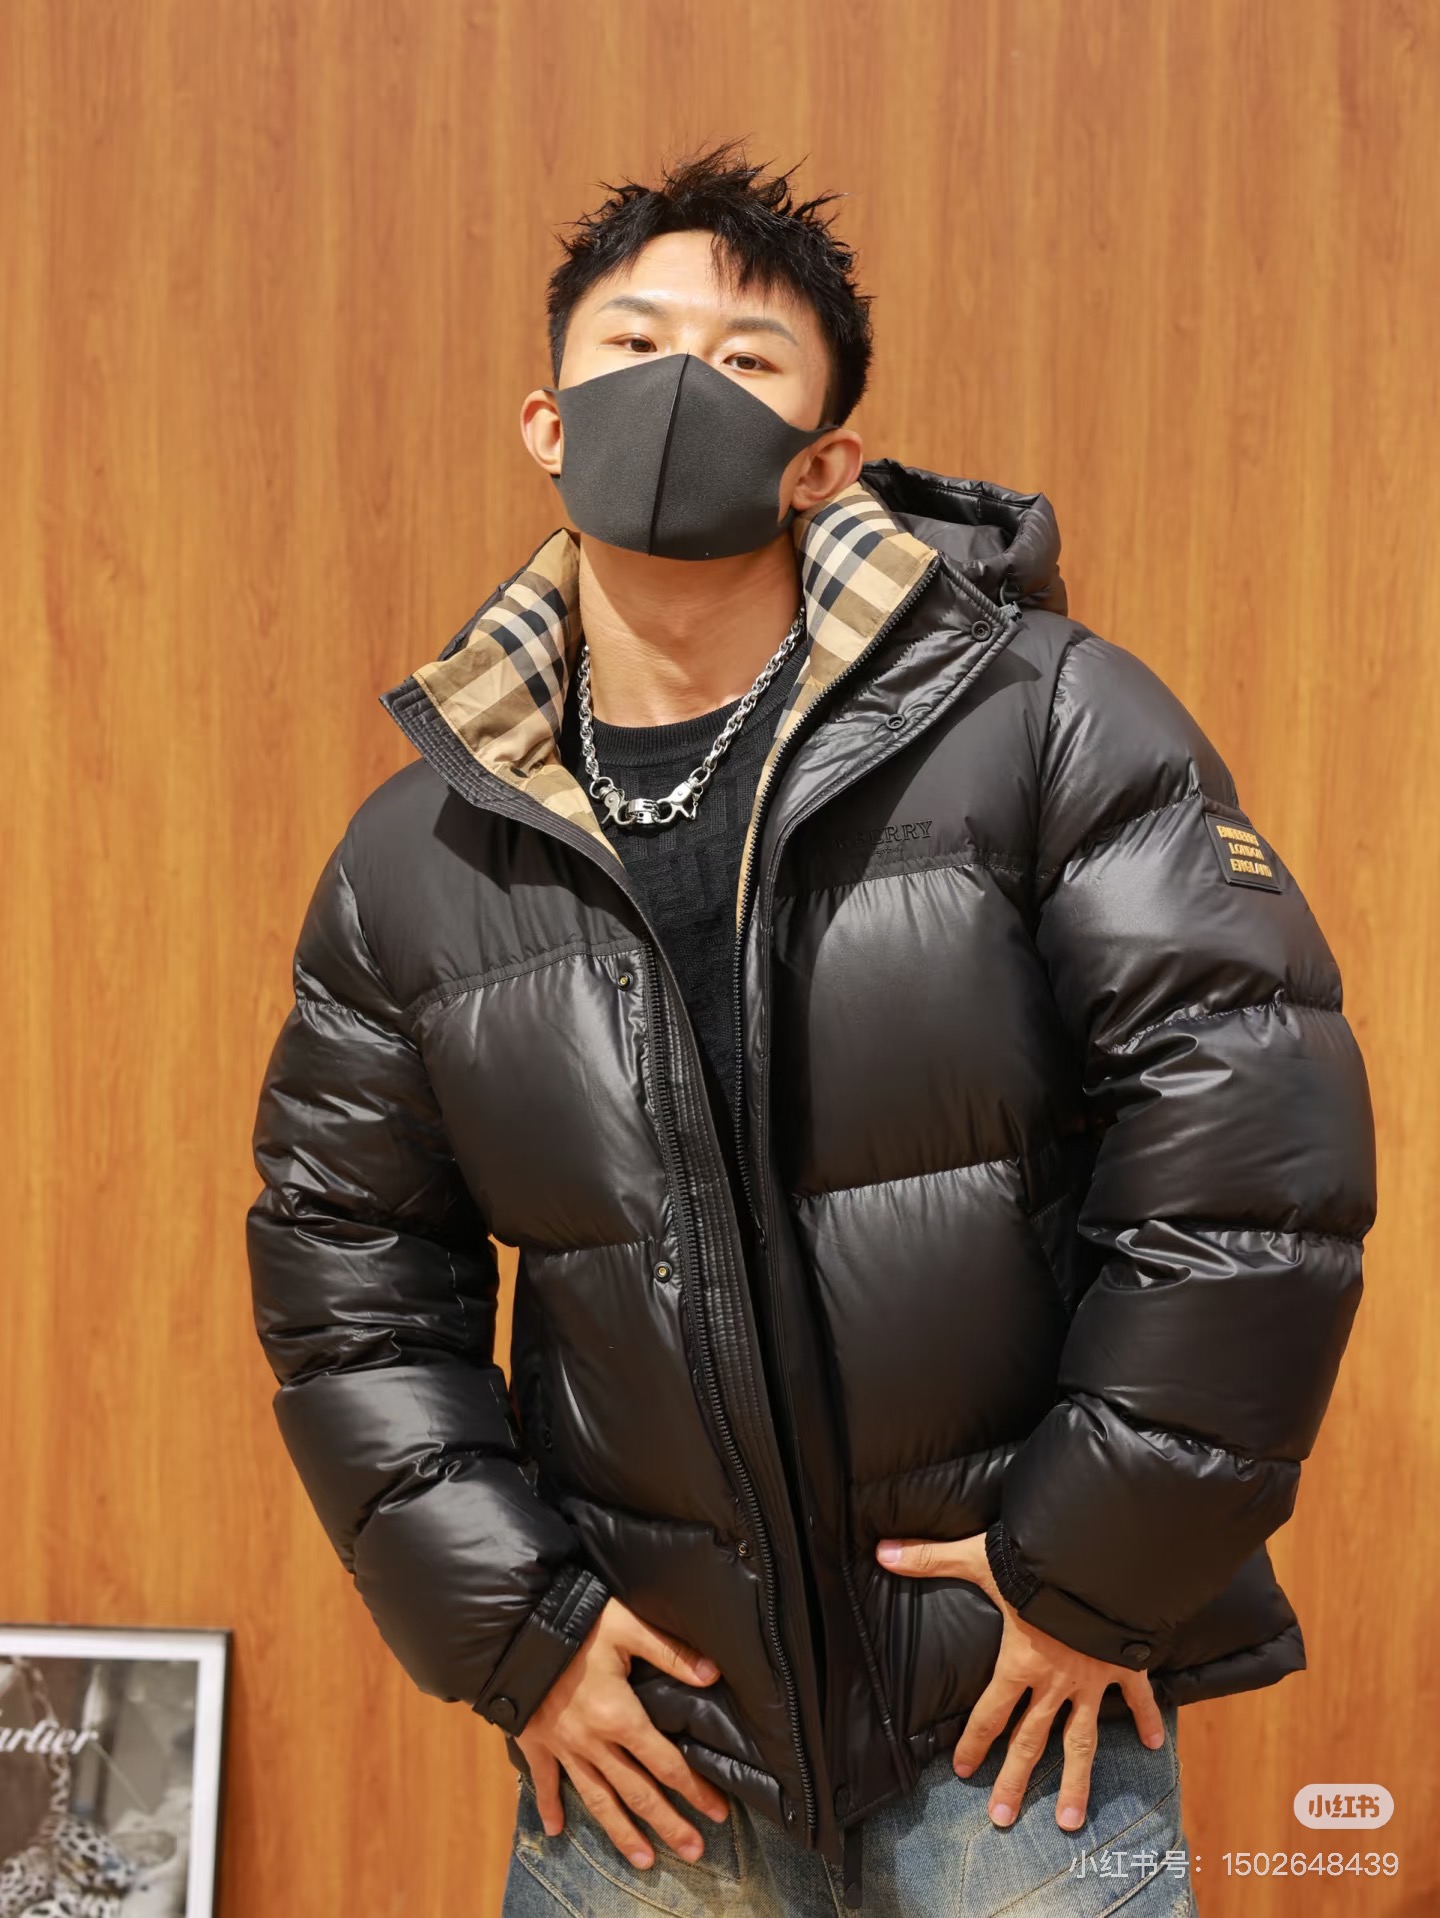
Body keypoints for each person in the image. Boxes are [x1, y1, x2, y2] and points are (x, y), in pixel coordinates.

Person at [245, 140, 1377, 1915]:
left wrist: (1092, 1572)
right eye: (633, 344)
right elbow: (345, 1278)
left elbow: (1253, 1155)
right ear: (545, 421)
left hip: (1009, 1726)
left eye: (745, 358)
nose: (678, 386)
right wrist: (521, 1632)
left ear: (824, 458)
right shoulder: (421, 856)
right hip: (649, 1752)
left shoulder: (1044, 720)